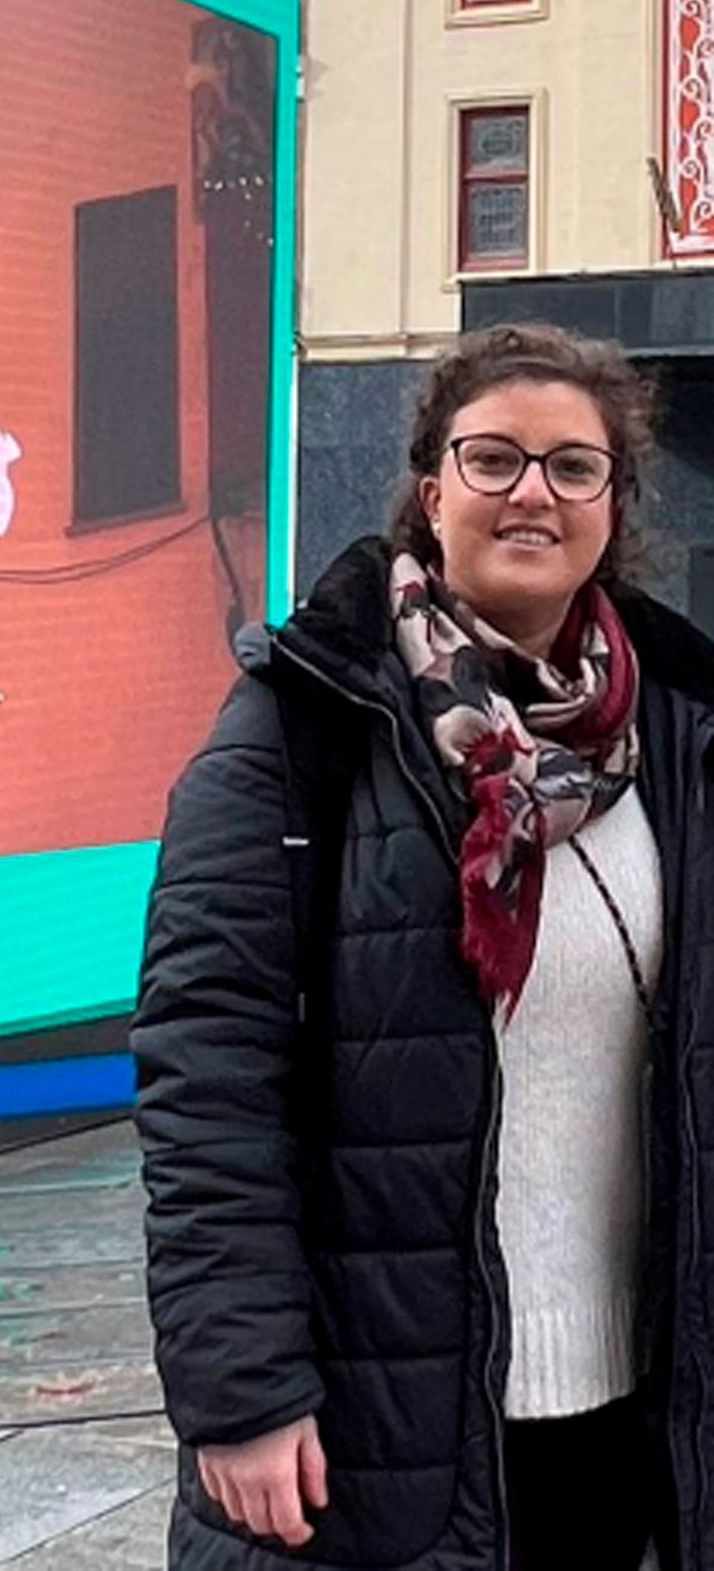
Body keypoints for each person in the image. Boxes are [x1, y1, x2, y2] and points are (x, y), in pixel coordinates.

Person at [131, 322, 714, 1570]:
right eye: (493, 457)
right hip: (381, 1416)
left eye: (573, 466)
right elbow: (210, 1082)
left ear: (615, 503)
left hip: (632, 1410)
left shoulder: (678, 734)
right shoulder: (303, 725)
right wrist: (241, 1390)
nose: (532, 494)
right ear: (431, 484)